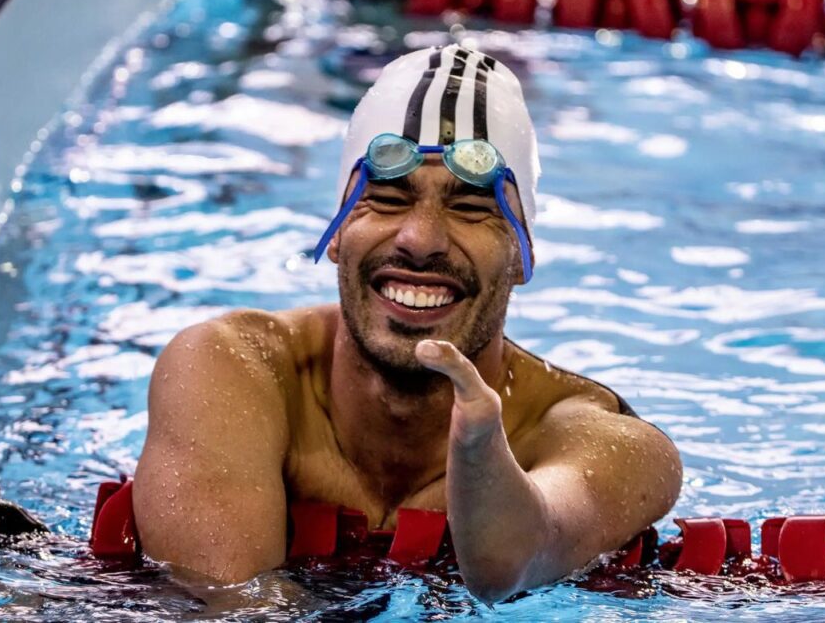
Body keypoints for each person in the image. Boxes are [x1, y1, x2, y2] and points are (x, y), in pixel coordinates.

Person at [133, 44, 682, 603]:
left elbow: (516, 564)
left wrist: (479, 456)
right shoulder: (234, 368)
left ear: (520, 256)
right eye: (389, 198)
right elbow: (233, 606)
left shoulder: (606, 441)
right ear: (339, 232)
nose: (420, 241)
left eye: (471, 208)